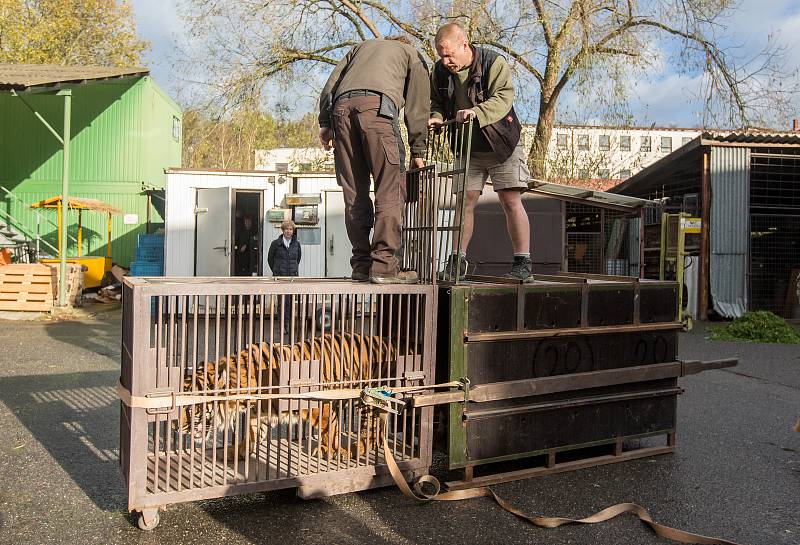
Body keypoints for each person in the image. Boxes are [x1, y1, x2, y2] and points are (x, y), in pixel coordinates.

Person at [318, 36, 430, 284]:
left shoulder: (360, 48)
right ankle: (384, 267)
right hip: (377, 110)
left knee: (354, 191)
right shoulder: (411, 53)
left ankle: (361, 265)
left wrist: (325, 124)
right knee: (390, 189)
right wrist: (418, 150)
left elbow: (330, 86)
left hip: (340, 112)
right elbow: (418, 106)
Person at [429, 23, 533, 281]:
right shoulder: (440, 72)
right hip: (467, 147)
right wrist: (436, 117)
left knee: (510, 200)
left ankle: (523, 264)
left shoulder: (492, 62)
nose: (446, 60)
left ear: (465, 44)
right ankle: (456, 262)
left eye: (449, 54)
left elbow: (503, 98)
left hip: (501, 144)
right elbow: (437, 102)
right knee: (464, 202)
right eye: (441, 55)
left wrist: (476, 112)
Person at [268, 220, 301, 334]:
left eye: (291, 229)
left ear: (293, 231)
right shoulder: (275, 243)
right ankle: (283, 325)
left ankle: (290, 324)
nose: (288, 231)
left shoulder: (296, 244)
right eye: (286, 229)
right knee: (282, 302)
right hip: (280, 278)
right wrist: (276, 271)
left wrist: (293, 271)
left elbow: (298, 259)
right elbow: (270, 259)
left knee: (291, 302)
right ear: (282, 230)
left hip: (292, 278)